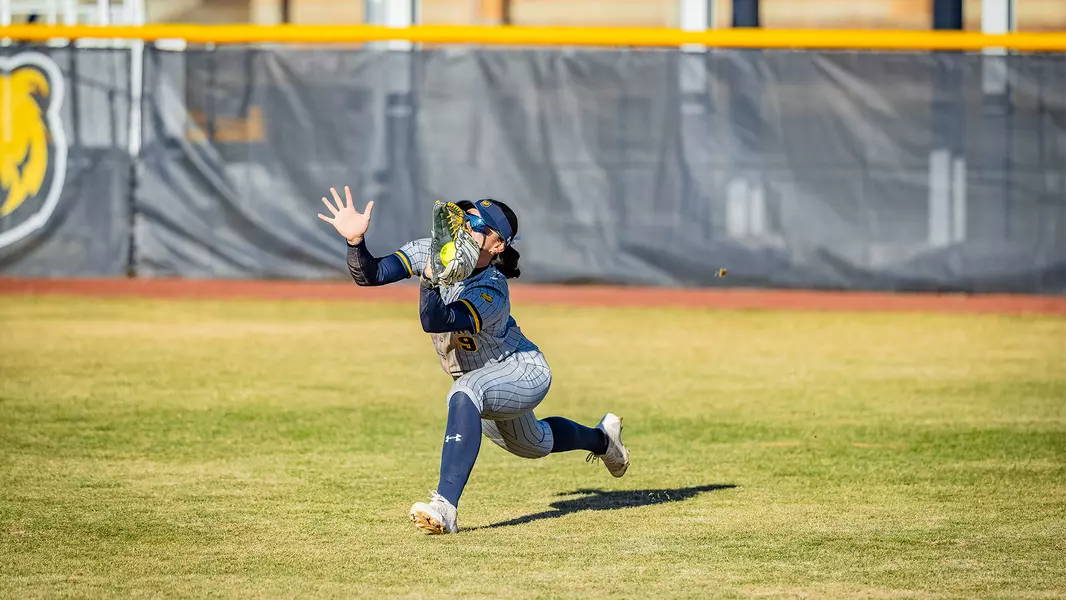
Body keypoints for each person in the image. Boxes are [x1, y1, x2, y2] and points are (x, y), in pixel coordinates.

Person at [317, 186, 630, 535]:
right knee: (535, 443)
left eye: (483, 226)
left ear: (498, 246)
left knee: (465, 389)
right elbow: (369, 274)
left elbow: (435, 321)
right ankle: (604, 440)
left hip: (521, 370)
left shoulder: (491, 287)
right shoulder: (432, 250)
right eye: (469, 219)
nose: (471, 226)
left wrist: (430, 280)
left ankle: (444, 507)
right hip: (484, 382)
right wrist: (356, 241)